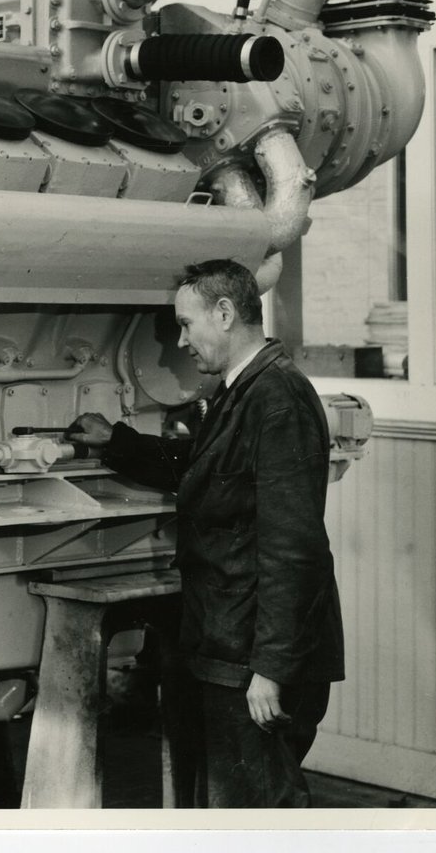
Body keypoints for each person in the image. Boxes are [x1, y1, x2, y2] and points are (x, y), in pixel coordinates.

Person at [68, 258, 343, 808]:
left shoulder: (277, 399)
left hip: (253, 658)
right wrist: (117, 442)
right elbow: (204, 465)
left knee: (257, 814)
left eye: (185, 324)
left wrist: (271, 670)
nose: (181, 341)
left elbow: (294, 549)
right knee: (233, 810)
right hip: (232, 645)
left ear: (223, 313)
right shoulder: (243, 389)